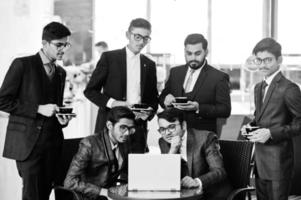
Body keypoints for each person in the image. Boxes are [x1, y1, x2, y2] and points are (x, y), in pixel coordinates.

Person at [0, 21, 73, 200]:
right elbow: (2, 101)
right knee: (31, 195)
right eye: (58, 45)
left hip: (53, 144)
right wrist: (38, 109)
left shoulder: (61, 73)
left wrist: (61, 119)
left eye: (66, 44)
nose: (63, 49)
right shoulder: (22, 65)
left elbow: (54, 107)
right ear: (44, 43)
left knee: (46, 194)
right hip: (28, 145)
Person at [84, 18, 158, 153]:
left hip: (137, 127)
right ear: (128, 35)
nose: (141, 42)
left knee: (134, 171)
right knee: (104, 169)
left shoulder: (150, 64)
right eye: (137, 37)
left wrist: (148, 113)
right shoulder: (109, 58)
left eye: (146, 38)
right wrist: (112, 103)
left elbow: (153, 99)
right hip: (111, 125)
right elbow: (90, 91)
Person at [241, 38, 301, 200]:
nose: (262, 64)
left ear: (279, 60)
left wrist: (271, 133)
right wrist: (250, 125)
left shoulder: (289, 88)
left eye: (268, 60)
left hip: (279, 164)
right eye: (258, 60)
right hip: (260, 162)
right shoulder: (258, 87)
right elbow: (259, 117)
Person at [159, 33, 231, 133]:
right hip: (174, 135)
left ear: (206, 52)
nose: (193, 58)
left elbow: (225, 110)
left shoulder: (219, 77)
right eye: (189, 53)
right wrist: (165, 101)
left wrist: (198, 108)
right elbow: (162, 97)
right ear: (184, 52)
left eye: (197, 54)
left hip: (203, 139)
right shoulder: (175, 72)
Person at [157, 108, 232, 199]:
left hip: (211, 194)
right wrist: (172, 150)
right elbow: (165, 176)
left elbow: (219, 171)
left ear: (183, 125)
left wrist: (197, 181)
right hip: (184, 195)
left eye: (171, 127)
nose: (167, 133)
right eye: (162, 129)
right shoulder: (163, 142)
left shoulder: (206, 138)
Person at [64, 106, 136, 200]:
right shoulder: (89, 143)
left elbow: (126, 172)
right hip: (89, 197)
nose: (127, 133)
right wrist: (103, 191)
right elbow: (69, 182)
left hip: (111, 196)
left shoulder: (125, 142)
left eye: (130, 129)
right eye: (123, 128)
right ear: (109, 125)